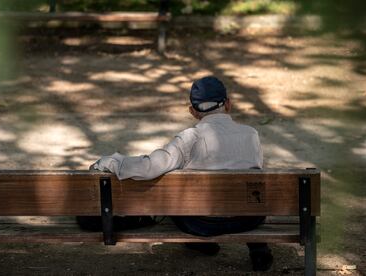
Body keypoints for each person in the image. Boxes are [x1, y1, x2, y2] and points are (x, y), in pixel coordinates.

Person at [88, 76, 273, 271]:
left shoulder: (188, 138)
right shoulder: (251, 134)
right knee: (248, 194)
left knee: (172, 196)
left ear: (192, 111)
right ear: (228, 104)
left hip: (201, 223)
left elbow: (149, 167)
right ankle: (258, 249)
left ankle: (201, 242)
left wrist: (109, 161)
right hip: (248, 220)